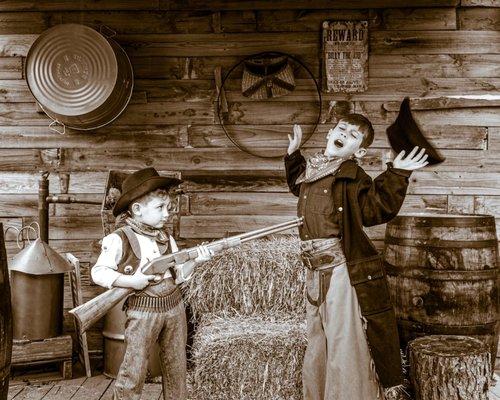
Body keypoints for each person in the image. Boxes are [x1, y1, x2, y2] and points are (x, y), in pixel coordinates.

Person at [284, 115, 428, 399]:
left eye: (352, 136)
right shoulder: (311, 171)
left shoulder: (352, 176)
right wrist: (292, 155)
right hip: (313, 270)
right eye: (341, 129)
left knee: (343, 342)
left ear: (359, 152)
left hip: (340, 269)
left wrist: (397, 174)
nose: (344, 134)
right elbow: (298, 187)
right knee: (318, 341)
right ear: (329, 133)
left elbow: (376, 208)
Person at [91, 167, 213, 400]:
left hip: (175, 307)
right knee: (134, 367)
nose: (167, 213)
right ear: (137, 209)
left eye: (168, 207)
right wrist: (132, 281)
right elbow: (99, 272)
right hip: (143, 311)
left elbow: (179, 275)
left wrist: (197, 260)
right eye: (160, 208)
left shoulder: (166, 237)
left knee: (177, 366)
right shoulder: (119, 238)